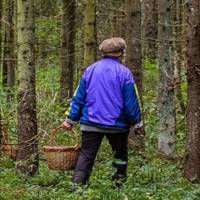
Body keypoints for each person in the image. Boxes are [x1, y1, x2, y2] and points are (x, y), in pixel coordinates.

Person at [62, 37, 143, 185]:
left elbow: (79, 97)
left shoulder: (90, 70)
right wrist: (137, 123)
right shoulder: (125, 73)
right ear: (120, 53)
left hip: (90, 122)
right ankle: (118, 185)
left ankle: (77, 187)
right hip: (118, 125)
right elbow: (132, 101)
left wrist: (70, 120)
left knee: (86, 155)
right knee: (120, 154)